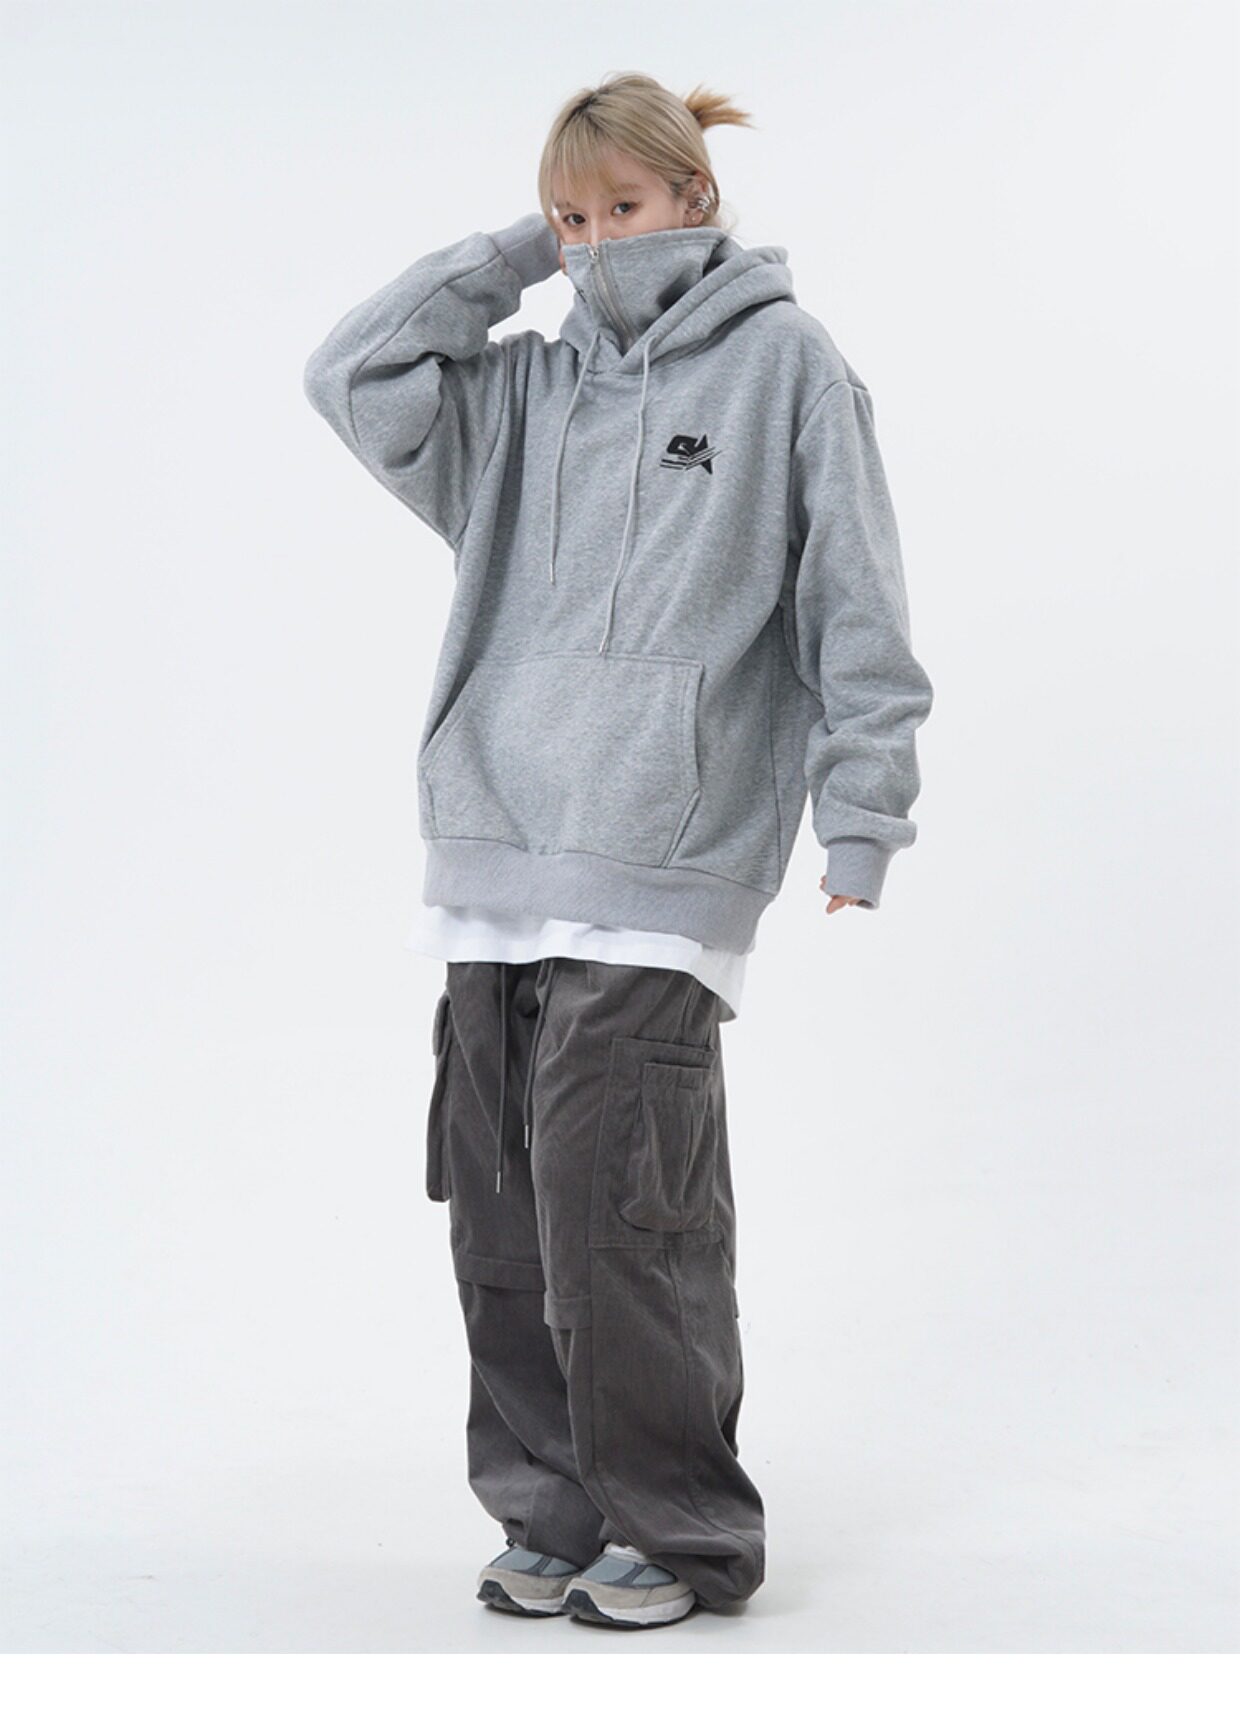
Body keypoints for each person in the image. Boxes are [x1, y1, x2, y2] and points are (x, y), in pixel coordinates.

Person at [303, 71, 934, 1630]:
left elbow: (856, 603)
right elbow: (351, 372)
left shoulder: (788, 367)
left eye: (623, 209)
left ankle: (682, 1529)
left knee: (624, 1220)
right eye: (571, 217)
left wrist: (863, 811)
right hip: (492, 863)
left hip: (663, 868)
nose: (596, 243)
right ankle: (554, 1512)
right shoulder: (519, 396)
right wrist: (524, 251)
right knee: (503, 1223)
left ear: (696, 201)